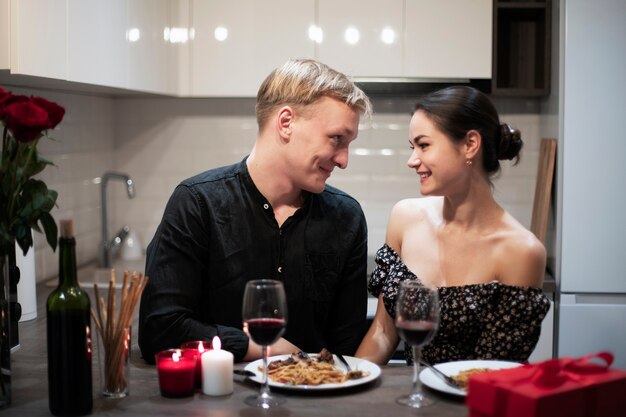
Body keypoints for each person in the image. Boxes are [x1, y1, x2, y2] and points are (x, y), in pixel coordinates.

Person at [138, 58, 373, 364]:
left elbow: (346, 347)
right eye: (337, 139)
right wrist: (266, 349)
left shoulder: (346, 217)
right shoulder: (197, 203)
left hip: (316, 402)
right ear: (286, 122)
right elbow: (160, 329)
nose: (344, 160)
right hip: (217, 401)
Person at [355, 86, 550, 365]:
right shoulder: (405, 218)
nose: (412, 161)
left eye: (423, 145)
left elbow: (492, 371)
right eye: (413, 148)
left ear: (470, 144)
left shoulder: (521, 251)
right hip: (412, 401)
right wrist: (350, 386)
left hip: (472, 404)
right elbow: (384, 333)